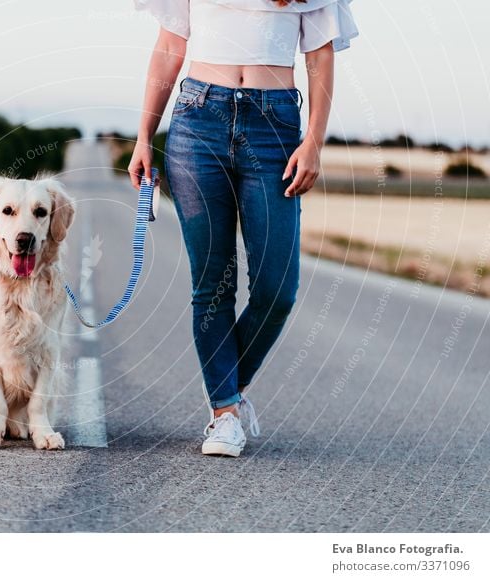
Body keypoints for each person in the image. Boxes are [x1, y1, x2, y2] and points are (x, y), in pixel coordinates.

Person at [129, 0, 358, 456]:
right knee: (212, 281)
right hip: (198, 120)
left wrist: (313, 141)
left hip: (273, 127)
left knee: (278, 289)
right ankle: (225, 412)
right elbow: (170, 46)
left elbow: (320, 56)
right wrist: (143, 137)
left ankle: (225, 382)